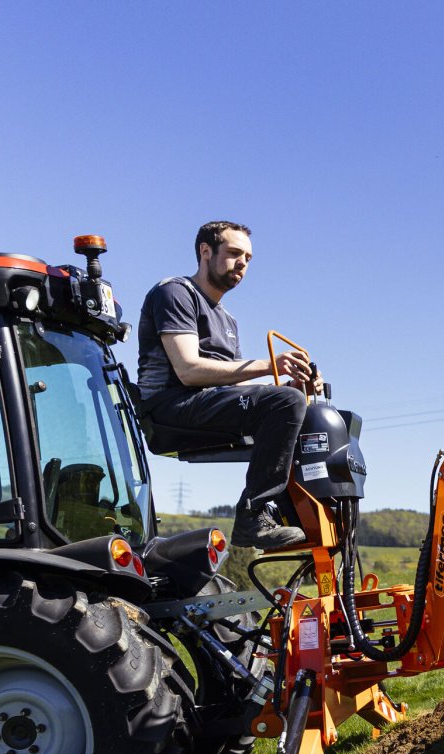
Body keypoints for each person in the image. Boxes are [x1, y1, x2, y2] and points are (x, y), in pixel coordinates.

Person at [134, 221, 321, 550]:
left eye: (248, 258)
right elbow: (189, 370)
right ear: (206, 252)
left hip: (206, 402)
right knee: (286, 402)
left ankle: (293, 514)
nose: (243, 263)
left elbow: (233, 385)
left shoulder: (228, 320)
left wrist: (291, 383)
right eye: (234, 253)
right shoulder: (176, 292)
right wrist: (270, 367)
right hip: (170, 405)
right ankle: (253, 518)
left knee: (304, 408)